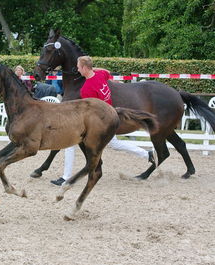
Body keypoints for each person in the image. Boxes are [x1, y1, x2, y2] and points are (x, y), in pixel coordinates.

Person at [50, 55, 157, 186]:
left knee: (70, 145)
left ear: (84, 68)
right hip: (111, 115)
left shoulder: (86, 89)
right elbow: (107, 71)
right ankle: (147, 154)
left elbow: (90, 111)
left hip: (100, 121)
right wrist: (92, 69)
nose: (77, 70)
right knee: (115, 144)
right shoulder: (100, 74)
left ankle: (66, 177)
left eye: (79, 67)